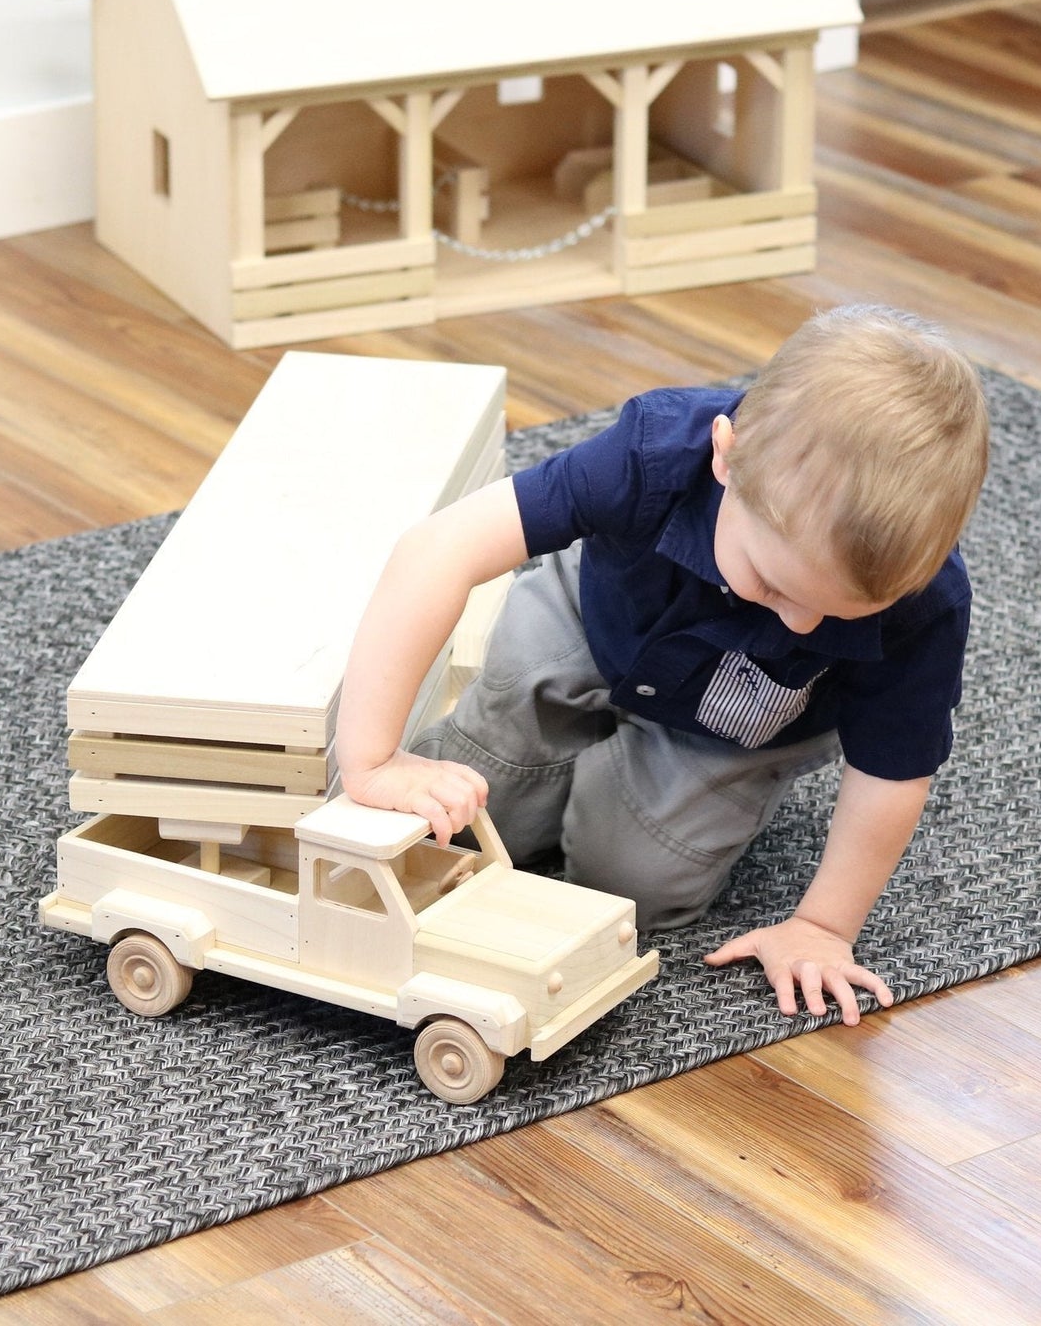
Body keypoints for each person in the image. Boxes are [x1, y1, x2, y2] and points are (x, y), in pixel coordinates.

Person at [336, 304, 990, 1025]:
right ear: (725, 456)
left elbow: (891, 770)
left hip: (739, 725)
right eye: (771, 584)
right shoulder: (652, 450)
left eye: (838, 615)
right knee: (454, 828)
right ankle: (549, 761)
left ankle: (619, 785)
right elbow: (437, 549)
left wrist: (824, 926)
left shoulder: (926, 603)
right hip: (591, 620)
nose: (801, 624)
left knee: (627, 891)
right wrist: (370, 757)